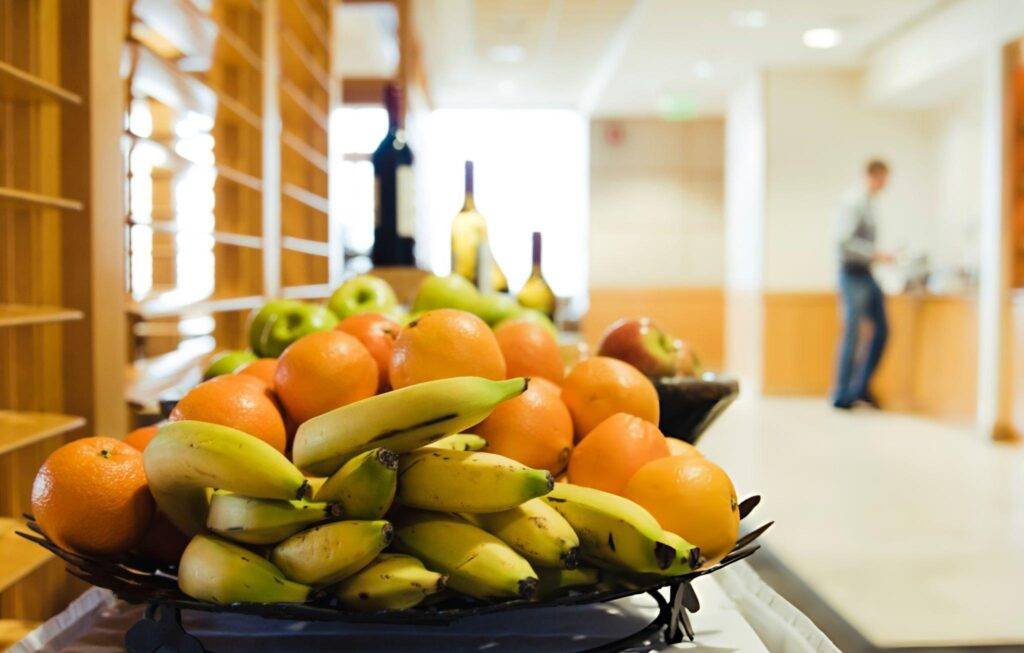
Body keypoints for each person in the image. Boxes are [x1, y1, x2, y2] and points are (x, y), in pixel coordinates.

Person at [832, 159, 894, 409]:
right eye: (883, 178)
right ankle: (842, 394)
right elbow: (843, 242)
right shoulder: (853, 202)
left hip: (867, 274)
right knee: (853, 333)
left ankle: (861, 387)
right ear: (873, 175)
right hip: (853, 273)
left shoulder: (869, 203)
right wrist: (875, 254)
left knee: (882, 330)